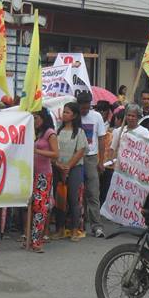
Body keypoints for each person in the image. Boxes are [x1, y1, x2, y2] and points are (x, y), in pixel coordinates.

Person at [54, 101, 88, 241]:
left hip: (75, 168)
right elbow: (53, 150)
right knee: (59, 200)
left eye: (67, 112)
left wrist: (67, 167)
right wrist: (58, 165)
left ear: (74, 116)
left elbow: (80, 151)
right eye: (64, 111)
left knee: (74, 199)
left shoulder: (79, 132)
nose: (64, 114)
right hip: (58, 167)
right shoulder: (58, 130)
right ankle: (60, 229)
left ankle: (75, 230)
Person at [25, 108, 58, 252]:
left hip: (44, 175)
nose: (34, 121)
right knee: (30, 206)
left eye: (36, 118)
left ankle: (36, 239)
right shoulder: (36, 133)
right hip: (32, 173)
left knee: (40, 208)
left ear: (43, 118)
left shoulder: (50, 133)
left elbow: (55, 154)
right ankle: (29, 238)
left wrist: (37, 151)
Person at [77, 91, 108, 238]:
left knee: (93, 193)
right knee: (77, 194)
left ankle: (97, 226)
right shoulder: (74, 116)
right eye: (82, 108)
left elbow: (102, 139)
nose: (84, 110)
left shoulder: (96, 117)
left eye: (86, 107)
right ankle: (78, 225)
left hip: (91, 158)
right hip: (76, 158)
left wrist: (101, 161)